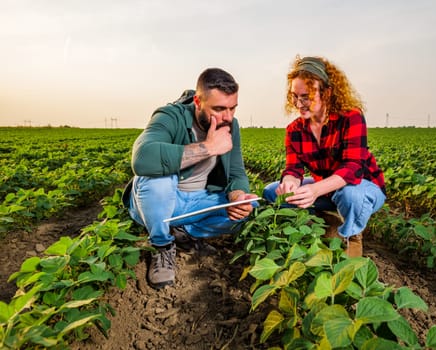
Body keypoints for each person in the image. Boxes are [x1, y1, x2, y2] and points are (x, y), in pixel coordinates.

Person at [123, 68, 258, 289]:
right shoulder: (169, 115)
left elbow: (236, 173)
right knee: (158, 182)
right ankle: (162, 245)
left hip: (197, 201)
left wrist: (237, 196)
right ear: (197, 101)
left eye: (233, 108)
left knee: (249, 207)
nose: (228, 117)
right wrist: (208, 147)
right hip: (162, 200)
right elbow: (142, 159)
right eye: (219, 109)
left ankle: (182, 231)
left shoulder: (231, 125)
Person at [263, 56, 386, 257]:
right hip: (326, 190)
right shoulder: (294, 130)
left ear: (326, 93)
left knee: (349, 195)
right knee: (272, 192)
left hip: (363, 188)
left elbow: (353, 168)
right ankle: (323, 222)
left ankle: (350, 238)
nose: (298, 103)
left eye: (306, 97)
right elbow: (294, 168)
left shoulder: (350, 117)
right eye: (295, 96)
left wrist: (315, 190)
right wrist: (289, 182)